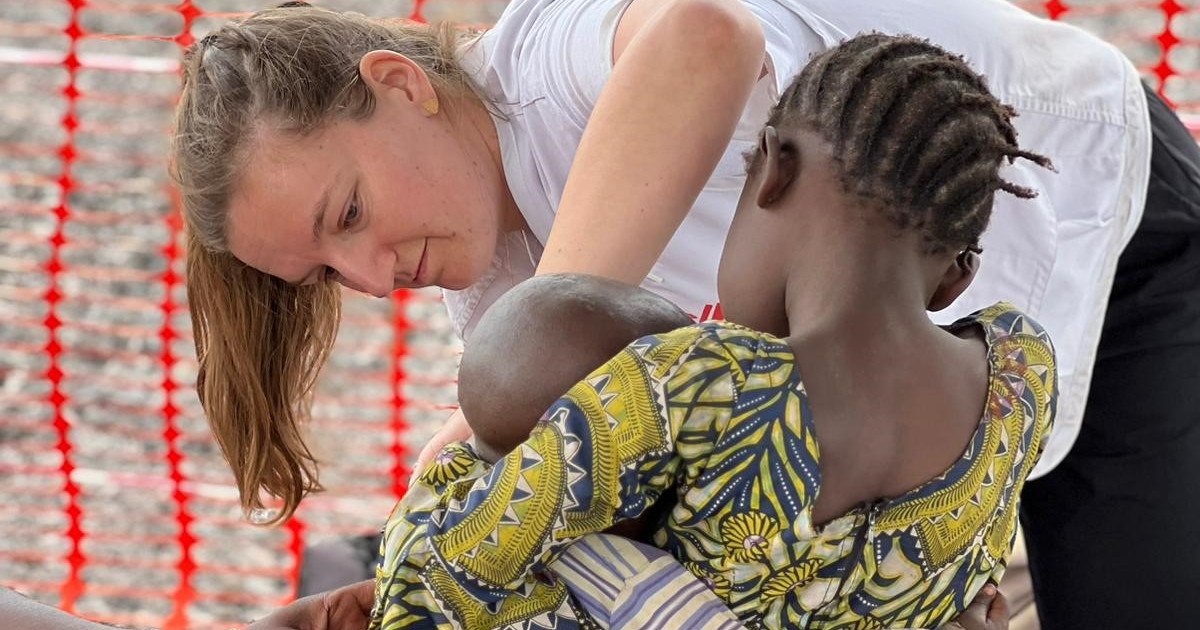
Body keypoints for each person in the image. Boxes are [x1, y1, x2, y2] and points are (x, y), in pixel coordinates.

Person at [170, 0, 1195, 627]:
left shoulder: (552, 58)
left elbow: (705, 31)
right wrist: (411, 581)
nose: (371, 276)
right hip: (952, 394)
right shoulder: (480, 289)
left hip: (1113, 232)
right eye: (323, 274)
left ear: (400, 83)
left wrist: (538, 335)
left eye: (348, 213)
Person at [367, 33, 1057, 630]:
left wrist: (446, 488)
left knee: (522, 352)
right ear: (954, 279)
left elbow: (448, 578)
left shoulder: (702, 382)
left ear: (774, 170)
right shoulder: (1022, 374)